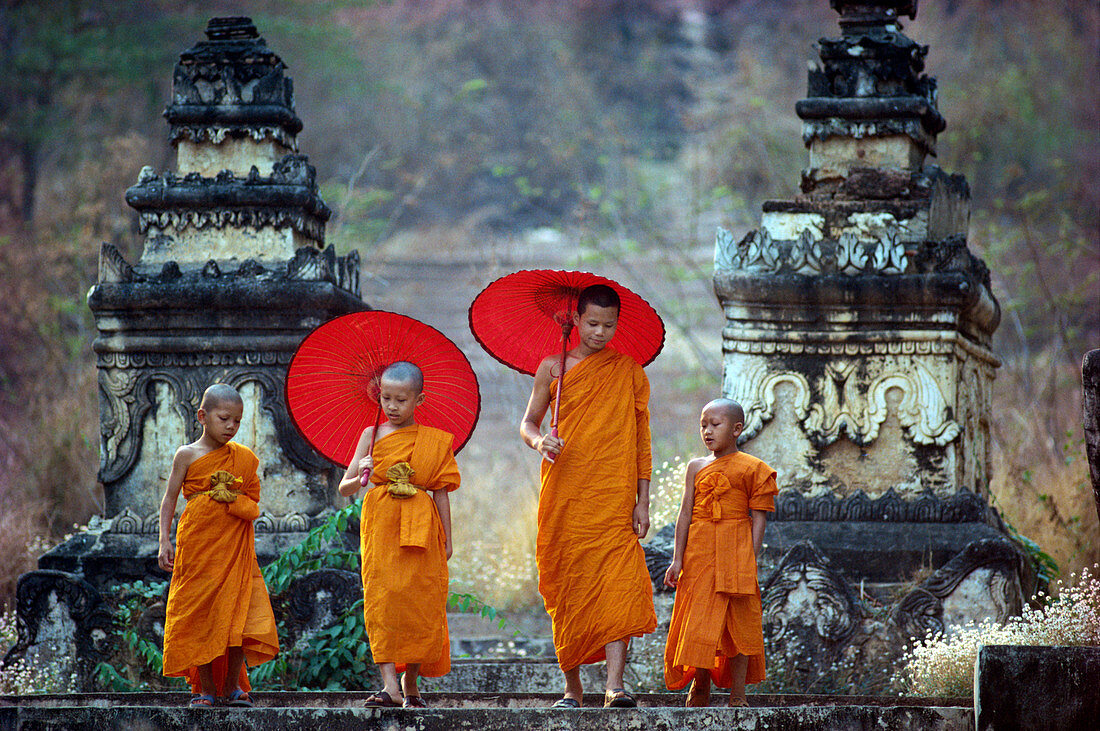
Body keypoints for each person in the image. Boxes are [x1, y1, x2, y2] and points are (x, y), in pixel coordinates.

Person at [521, 284, 657, 709]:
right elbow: (527, 423)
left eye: (609, 325)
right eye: (593, 323)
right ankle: (572, 689)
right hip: (566, 497)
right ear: (576, 320)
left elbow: (641, 441)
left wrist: (643, 500)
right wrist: (541, 442)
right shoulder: (552, 367)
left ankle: (615, 686)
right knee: (569, 587)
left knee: (619, 588)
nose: (600, 332)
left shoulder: (628, 371)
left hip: (614, 498)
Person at [338, 361, 459, 709]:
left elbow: (441, 492)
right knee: (383, 603)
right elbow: (346, 489)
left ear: (419, 400)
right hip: (381, 530)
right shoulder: (370, 436)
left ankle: (411, 683)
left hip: (423, 530)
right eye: (385, 398)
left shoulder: (432, 442)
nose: (391, 406)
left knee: (420, 605)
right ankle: (390, 686)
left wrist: (448, 539)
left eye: (401, 400)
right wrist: (361, 471)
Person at [159, 383, 279, 708]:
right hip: (197, 547)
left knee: (241, 616)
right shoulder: (186, 455)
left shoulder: (243, 459)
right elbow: (169, 499)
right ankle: (206, 690)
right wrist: (163, 541)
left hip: (235, 548)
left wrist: (233, 498)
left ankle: (232, 688)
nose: (231, 427)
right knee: (198, 614)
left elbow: (253, 502)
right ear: (203, 416)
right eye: (224, 418)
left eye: (237, 421)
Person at [662, 397, 777, 708]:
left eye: (715, 425)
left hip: (736, 550)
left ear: (737, 428)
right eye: (703, 426)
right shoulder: (695, 467)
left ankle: (738, 693)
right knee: (700, 622)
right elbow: (685, 514)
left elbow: (760, 517)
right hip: (699, 554)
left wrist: (750, 559)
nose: (707, 431)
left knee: (740, 623)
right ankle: (701, 685)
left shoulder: (754, 468)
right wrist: (676, 559)